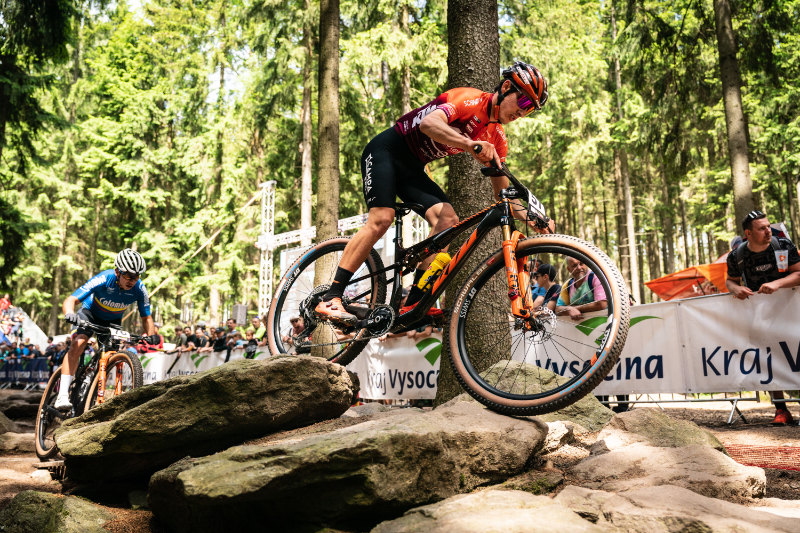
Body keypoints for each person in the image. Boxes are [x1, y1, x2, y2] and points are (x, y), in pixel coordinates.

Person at [314, 61, 552, 324]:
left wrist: (533, 218)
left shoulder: (497, 137)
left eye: (531, 109)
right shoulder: (469, 99)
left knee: (448, 220)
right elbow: (429, 124)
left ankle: (415, 304)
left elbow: (502, 195)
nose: (523, 112)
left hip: (412, 169)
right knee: (382, 218)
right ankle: (331, 297)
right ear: (506, 87)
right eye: (524, 102)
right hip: (386, 152)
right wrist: (470, 144)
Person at [57, 249, 159, 410]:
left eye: (136, 276)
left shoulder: (140, 288)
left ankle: (93, 387)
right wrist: (69, 313)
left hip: (112, 321)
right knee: (79, 342)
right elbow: (71, 299)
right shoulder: (104, 278)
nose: (132, 280)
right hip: (89, 314)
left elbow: (146, 317)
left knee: (111, 355)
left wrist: (151, 335)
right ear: (117, 272)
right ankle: (62, 395)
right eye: (128, 276)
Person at [726, 210, 800, 425]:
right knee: (770, 361)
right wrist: (736, 289)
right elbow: (730, 281)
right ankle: (781, 410)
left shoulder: (783, 245)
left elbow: (798, 273)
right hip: (761, 318)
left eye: (768, 226)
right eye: (762, 228)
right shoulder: (736, 256)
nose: (769, 231)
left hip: (791, 312)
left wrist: (777, 284)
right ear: (748, 234)